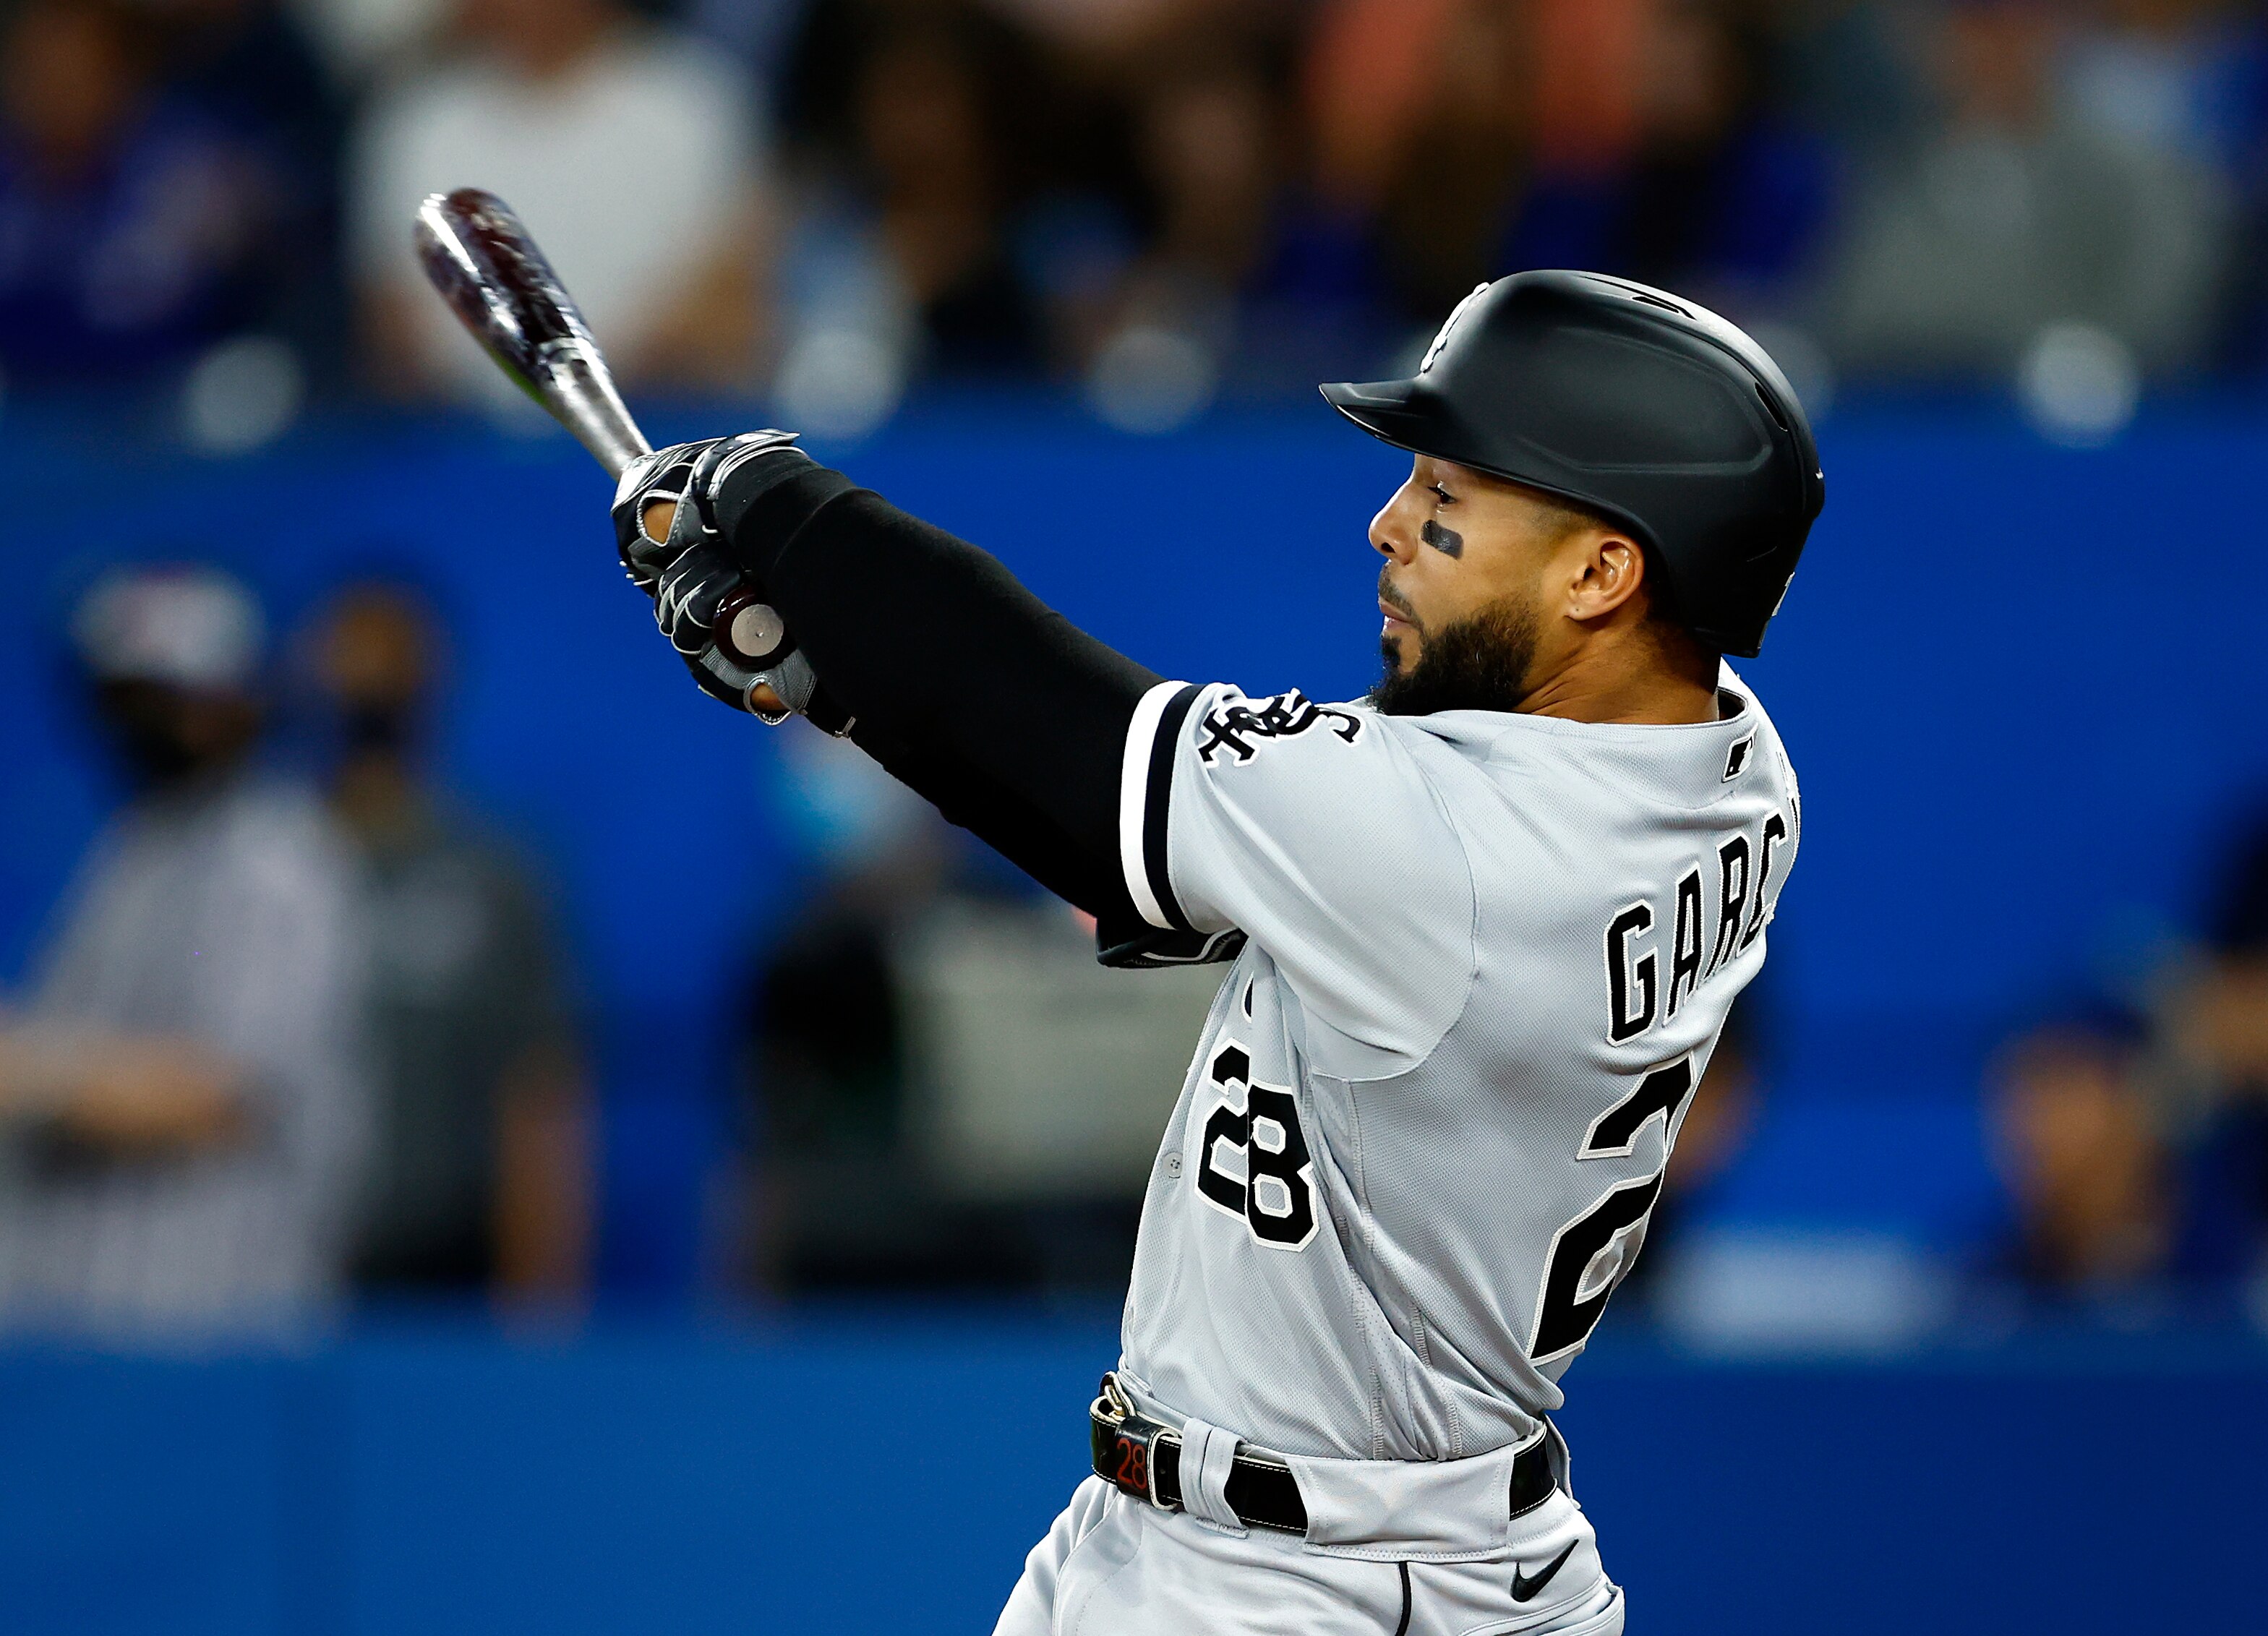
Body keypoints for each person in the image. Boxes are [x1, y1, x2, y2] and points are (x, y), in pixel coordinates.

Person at [602, 270, 1818, 1632]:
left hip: (1299, 1576)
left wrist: (779, 512)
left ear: (1604, 571)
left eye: (1447, 505)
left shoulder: (1450, 851)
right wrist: (858, 678)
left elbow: (1061, 728)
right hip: (1454, 1550)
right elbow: (1205, 847)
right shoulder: (1728, 764)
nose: (1388, 526)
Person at [0, 567, 367, 1335]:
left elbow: (218, 1094)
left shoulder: (273, 858)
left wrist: (30, 1067)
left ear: (238, 701)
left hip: (209, 1335)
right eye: (126, 699)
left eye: (169, 700)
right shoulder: (137, 852)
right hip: (80, 1329)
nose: (147, 724)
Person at [304, 581, 588, 1302]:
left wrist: (538, 1303)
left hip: (441, 1267)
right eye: (348, 660)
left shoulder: (489, 875)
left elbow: (537, 1093)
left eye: (389, 663)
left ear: (431, 676)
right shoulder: (258, 866)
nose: (366, 683)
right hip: (275, 1258)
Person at [347, 0, 770, 396]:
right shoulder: (414, 125)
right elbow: (393, 329)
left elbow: (731, 306)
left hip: (662, 425)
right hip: (463, 438)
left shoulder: (695, 104)